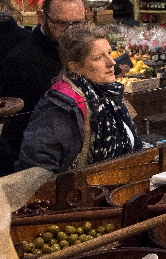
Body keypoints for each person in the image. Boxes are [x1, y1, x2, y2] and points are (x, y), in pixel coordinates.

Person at [0, 0, 88, 177]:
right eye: (61, 24)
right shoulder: (20, 62)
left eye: (77, 24)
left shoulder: (82, 53)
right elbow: (8, 130)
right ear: (42, 18)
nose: (70, 32)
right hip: (32, 167)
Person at [16, 25, 140, 174]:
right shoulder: (62, 106)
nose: (111, 62)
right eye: (99, 57)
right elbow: (36, 172)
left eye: (109, 53)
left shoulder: (109, 95)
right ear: (75, 67)